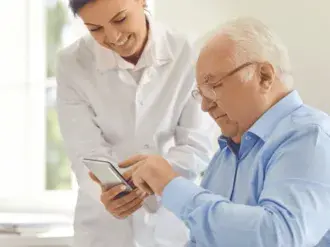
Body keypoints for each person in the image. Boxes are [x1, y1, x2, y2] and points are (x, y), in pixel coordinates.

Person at [116, 17, 330, 246]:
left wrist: (171, 185)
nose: (205, 106)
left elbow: (278, 237)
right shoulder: (226, 154)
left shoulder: (309, 136)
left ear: (264, 76)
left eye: (213, 86)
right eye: (200, 93)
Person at [55, 0, 214, 247]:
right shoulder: (72, 63)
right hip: (103, 228)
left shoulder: (188, 52)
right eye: (95, 29)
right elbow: (84, 150)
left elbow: (197, 144)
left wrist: (153, 180)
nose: (113, 37)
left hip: (170, 222)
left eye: (120, 19)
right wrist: (107, 194)